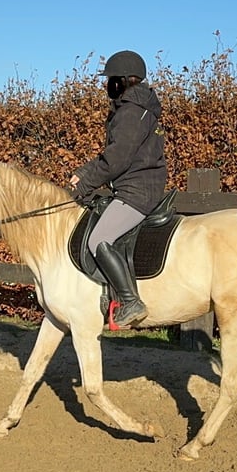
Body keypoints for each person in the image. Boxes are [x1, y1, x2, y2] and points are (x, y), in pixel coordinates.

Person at [69, 50, 168, 327]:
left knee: (98, 239)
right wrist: (84, 174)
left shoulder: (131, 111)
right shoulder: (137, 108)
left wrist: (86, 183)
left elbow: (117, 158)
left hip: (137, 191)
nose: (107, 84)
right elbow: (116, 154)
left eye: (111, 79)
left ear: (125, 80)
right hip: (136, 186)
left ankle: (130, 301)